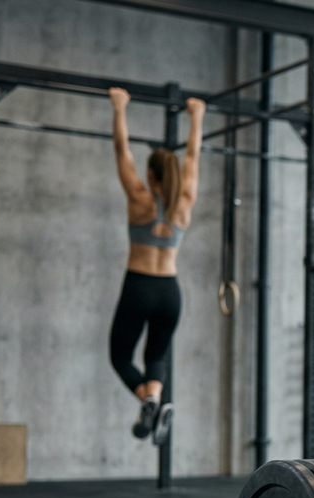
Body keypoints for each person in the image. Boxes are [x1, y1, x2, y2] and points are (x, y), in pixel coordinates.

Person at [107, 87, 204, 444]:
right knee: (157, 356)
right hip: (170, 291)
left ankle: (146, 399)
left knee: (120, 356)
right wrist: (197, 116)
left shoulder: (139, 197)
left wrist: (119, 108)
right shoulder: (187, 200)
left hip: (139, 286)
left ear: (151, 175)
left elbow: (122, 150)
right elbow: (193, 156)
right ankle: (155, 399)